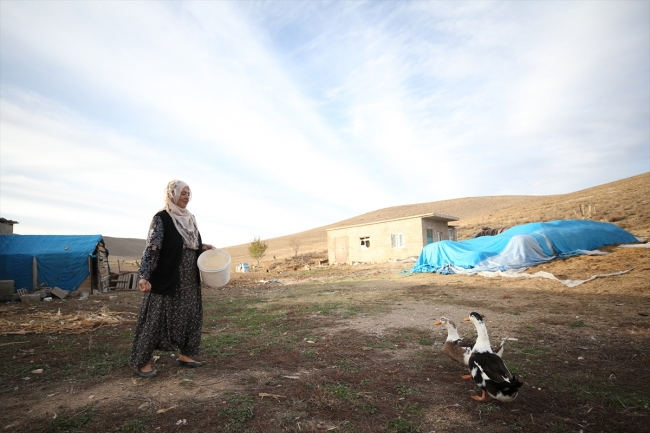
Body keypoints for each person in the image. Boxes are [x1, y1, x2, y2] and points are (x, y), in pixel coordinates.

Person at [129, 179, 215, 378]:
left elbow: (189, 245)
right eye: (183, 193)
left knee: (191, 314)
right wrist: (144, 276)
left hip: (189, 276)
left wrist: (203, 247)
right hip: (167, 275)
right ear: (172, 195)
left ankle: (186, 354)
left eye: (188, 193)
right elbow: (152, 249)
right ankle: (143, 361)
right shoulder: (162, 218)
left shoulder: (191, 219)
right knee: (156, 317)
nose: (186, 197)